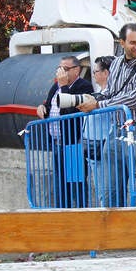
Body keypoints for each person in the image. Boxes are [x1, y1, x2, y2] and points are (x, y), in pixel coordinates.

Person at [78, 23, 136, 207]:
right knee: (110, 185)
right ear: (121, 42)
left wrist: (98, 104)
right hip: (115, 128)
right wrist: (90, 100)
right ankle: (113, 228)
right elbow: (110, 94)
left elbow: (134, 99)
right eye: (133, 42)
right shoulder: (115, 64)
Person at [36, 55, 94, 208]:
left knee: (75, 182)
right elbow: (50, 107)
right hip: (57, 142)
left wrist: (63, 87)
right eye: (60, 68)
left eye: (66, 69)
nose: (62, 72)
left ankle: (81, 212)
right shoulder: (55, 87)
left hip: (73, 142)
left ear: (77, 70)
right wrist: (42, 108)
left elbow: (68, 111)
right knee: (60, 182)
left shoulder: (83, 86)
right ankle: (63, 211)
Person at [83, 55, 113, 206]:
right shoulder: (97, 94)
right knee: (101, 190)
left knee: (106, 190)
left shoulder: (111, 95)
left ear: (105, 72)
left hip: (104, 145)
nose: (93, 75)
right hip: (93, 146)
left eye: (95, 72)